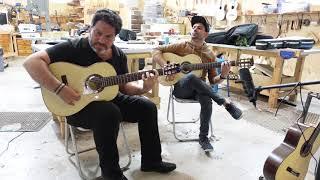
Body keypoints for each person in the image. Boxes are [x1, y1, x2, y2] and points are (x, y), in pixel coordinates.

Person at [23, 9, 176, 180]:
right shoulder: (73, 48)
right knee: (109, 112)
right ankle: (111, 174)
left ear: (115, 36)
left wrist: (144, 88)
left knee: (146, 106)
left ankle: (151, 161)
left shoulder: (118, 55)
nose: (101, 40)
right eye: (98, 33)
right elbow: (31, 62)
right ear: (90, 28)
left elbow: (125, 87)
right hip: (76, 105)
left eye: (108, 37)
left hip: (107, 98)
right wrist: (59, 88)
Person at [152, 16, 243, 152]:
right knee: (191, 77)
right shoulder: (182, 45)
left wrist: (224, 74)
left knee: (206, 99)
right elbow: (156, 50)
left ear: (206, 34)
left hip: (200, 90)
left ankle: (203, 138)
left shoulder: (209, 55)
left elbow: (213, 81)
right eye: (193, 27)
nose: (195, 30)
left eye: (199, 28)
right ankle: (225, 103)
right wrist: (165, 66)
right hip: (181, 88)